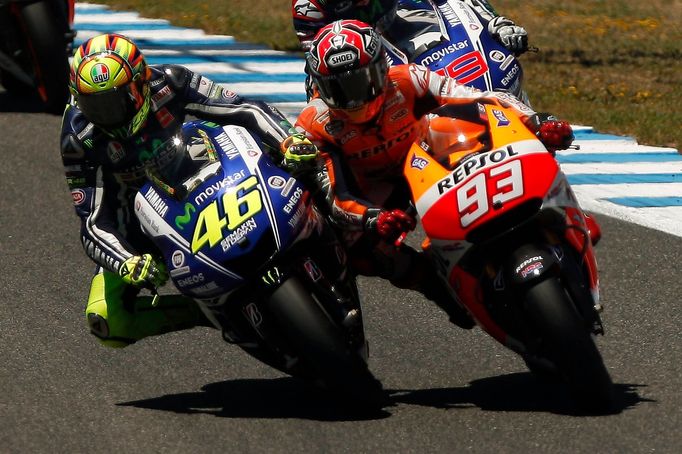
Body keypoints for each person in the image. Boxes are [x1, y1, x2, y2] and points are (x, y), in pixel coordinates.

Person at [290, 20, 575, 329]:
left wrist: (535, 121)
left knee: (490, 152)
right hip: (377, 189)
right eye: (338, 88)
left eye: (360, 82)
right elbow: (336, 196)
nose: (354, 99)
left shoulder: (409, 79)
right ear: (319, 85)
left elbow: (480, 98)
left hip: (429, 155)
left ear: (380, 68)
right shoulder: (314, 124)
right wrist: (372, 217)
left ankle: (545, 228)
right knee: (362, 255)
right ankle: (436, 288)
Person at [61, 33, 312, 348]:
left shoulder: (170, 82)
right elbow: (92, 222)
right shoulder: (79, 137)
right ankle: (208, 312)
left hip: (212, 174)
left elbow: (242, 108)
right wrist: (126, 260)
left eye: (114, 102)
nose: (105, 116)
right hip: (144, 225)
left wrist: (287, 139)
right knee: (106, 321)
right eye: (92, 105)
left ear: (140, 84)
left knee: (305, 158)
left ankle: (338, 227)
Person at [292, 0, 529, 56]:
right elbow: (317, 57)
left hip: (397, 31)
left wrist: (494, 24)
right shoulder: (308, 6)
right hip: (352, 61)